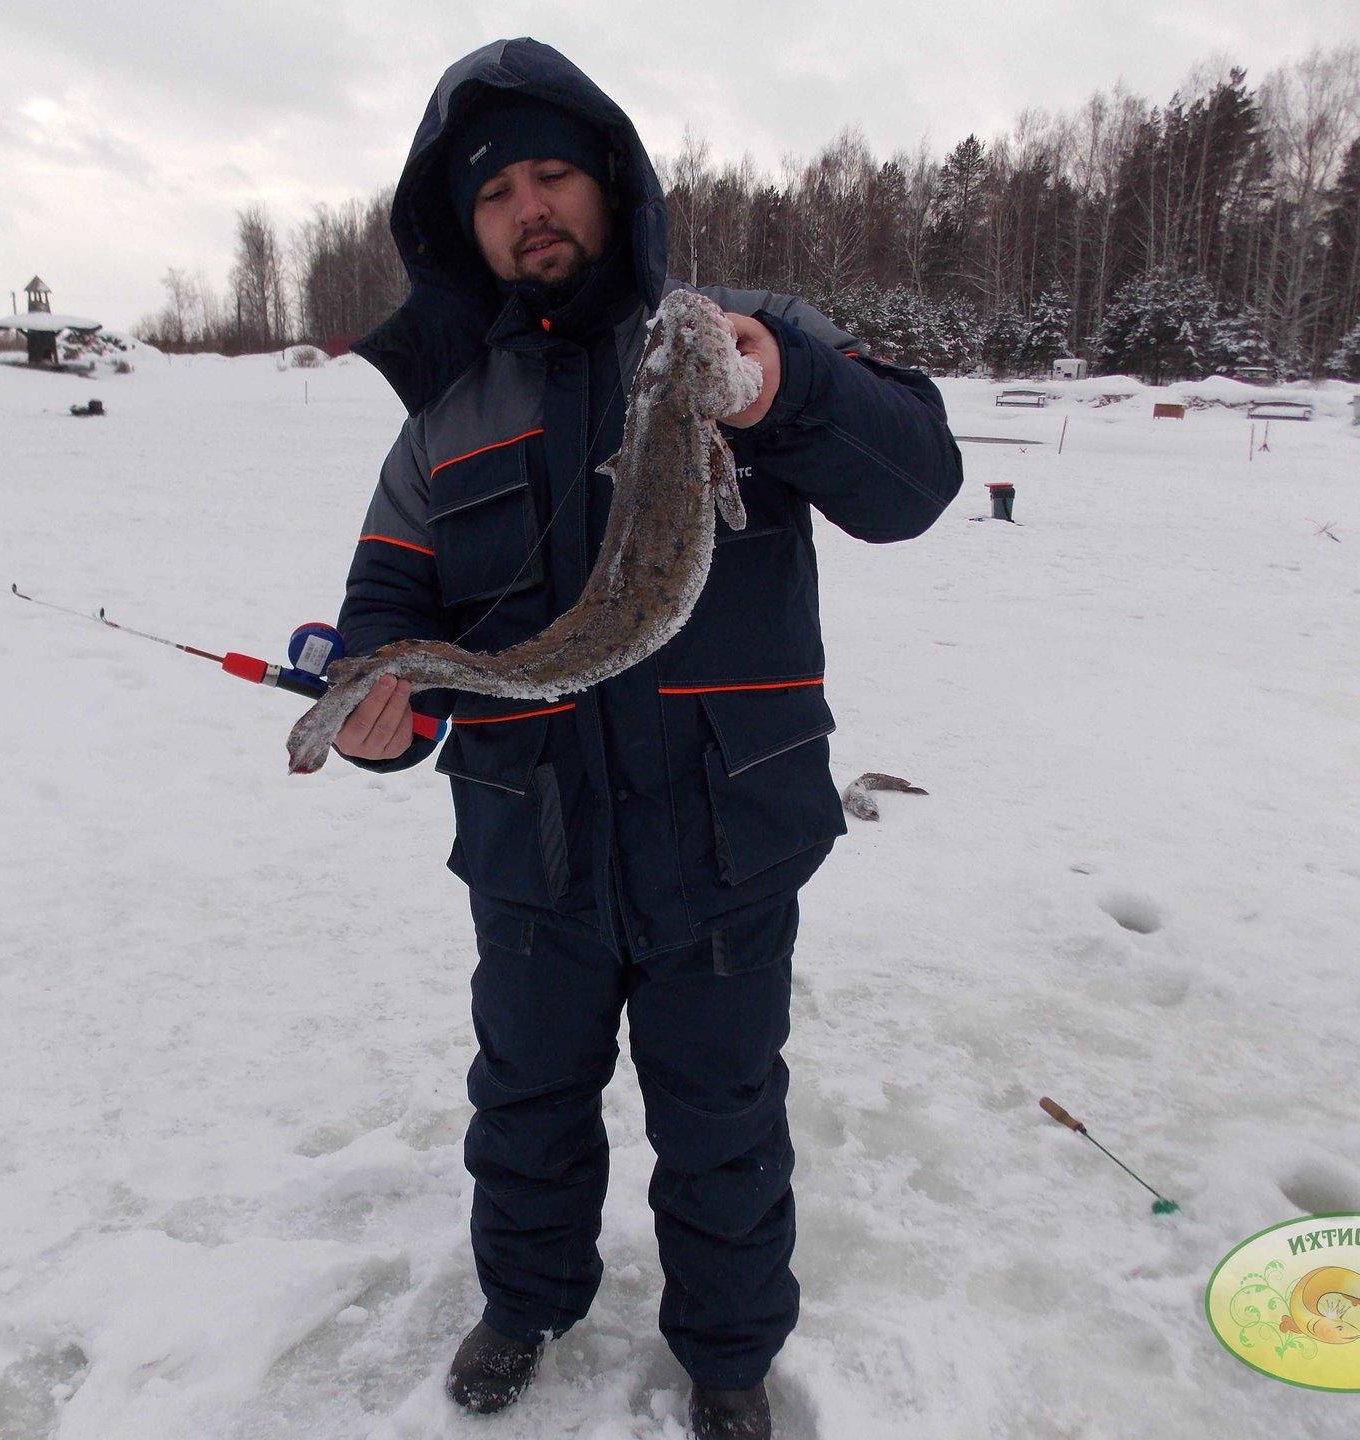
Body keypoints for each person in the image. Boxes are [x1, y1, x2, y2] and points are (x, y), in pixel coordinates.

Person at [328, 38, 962, 1439]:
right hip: (529, 848)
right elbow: (387, 612)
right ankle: (525, 1301)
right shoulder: (444, 416)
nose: (529, 209)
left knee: (725, 1123)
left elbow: (917, 480)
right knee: (527, 1103)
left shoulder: (734, 337)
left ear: (611, 183)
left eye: (554, 174)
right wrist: (381, 720)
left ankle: (729, 1357)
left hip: (726, 842)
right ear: (461, 222)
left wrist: (783, 388)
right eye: (495, 194)